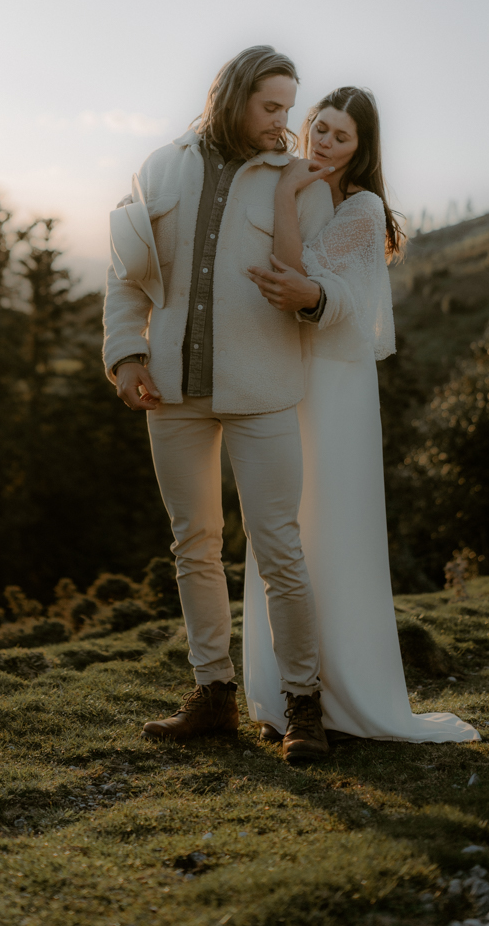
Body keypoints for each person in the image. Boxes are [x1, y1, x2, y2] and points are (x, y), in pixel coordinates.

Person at [103, 46, 336, 762]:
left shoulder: (301, 184)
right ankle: (212, 696)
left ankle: (303, 705)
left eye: (288, 109)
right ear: (233, 97)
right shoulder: (158, 168)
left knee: (279, 551)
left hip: (264, 391)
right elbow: (126, 278)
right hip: (171, 389)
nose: (284, 124)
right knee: (192, 545)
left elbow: (326, 290)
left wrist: (312, 297)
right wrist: (126, 354)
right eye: (271, 107)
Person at [246, 87, 480, 746]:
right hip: (282, 378)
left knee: (330, 527)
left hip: (334, 386)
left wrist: (286, 198)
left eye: (338, 137)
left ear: (361, 149)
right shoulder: (291, 183)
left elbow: (299, 280)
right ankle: (283, 690)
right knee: (281, 525)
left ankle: (340, 694)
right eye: (317, 127)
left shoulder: (361, 207)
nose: (321, 142)